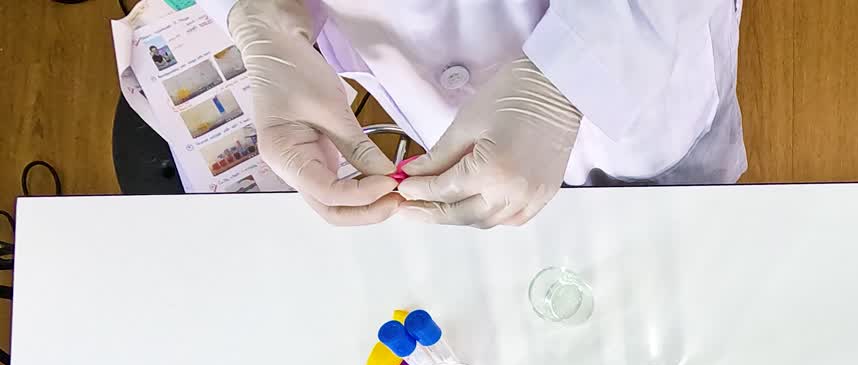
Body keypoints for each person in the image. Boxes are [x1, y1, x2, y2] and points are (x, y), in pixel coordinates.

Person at [195, 0, 747, 227]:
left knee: (690, 244)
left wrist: (571, 76)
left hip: (643, 72)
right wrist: (258, 16)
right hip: (414, 83)